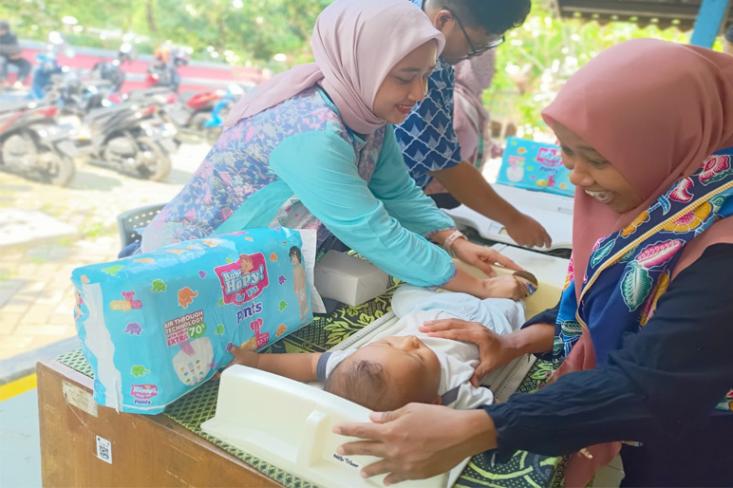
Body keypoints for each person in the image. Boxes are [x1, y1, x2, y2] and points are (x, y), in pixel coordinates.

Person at [334, 39, 733, 487]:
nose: (577, 177)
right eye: (567, 151)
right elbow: (593, 306)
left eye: (598, 160)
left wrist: (481, 427)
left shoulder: (721, 256)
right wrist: (517, 342)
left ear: (676, 141)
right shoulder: (663, 211)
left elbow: (654, 383)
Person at [140, 0, 531, 301]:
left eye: (427, 76)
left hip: (250, 268)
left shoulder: (368, 119)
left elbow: (398, 193)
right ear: (361, 64)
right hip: (187, 272)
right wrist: (479, 288)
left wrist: (454, 241)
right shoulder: (311, 132)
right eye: (405, 78)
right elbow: (371, 229)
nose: (419, 93)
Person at [227, 274, 536, 412]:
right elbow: (497, 414)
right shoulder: (454, 391)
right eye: (417, 357)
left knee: (402, 296)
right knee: (512, 312)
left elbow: (308, 363)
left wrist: (256, 362)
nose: (411, 341)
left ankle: (475, 285)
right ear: (433, 403)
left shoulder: (350, 364)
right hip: (481, 325)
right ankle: (514, 285)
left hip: (424, 313)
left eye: (390, 344)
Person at [396, 0, 551, 248]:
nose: (475, 56)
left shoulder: (434, 50)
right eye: (476, 46)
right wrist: (514, 220)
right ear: (444, 21)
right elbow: (443, 164)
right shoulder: (422, 61)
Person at [0, 20, 31, 88]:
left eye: (2, 30)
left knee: (26, 64)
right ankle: (3, 81)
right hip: (2, 57)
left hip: (12, 56)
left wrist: (16, 53)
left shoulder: (11, 36)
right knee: (2, 61)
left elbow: (16, 47)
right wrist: (9, 49)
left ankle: (19, 81)